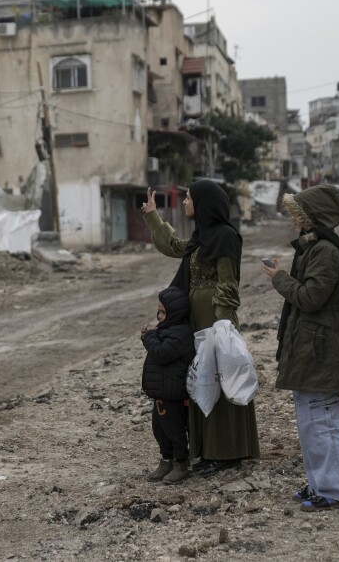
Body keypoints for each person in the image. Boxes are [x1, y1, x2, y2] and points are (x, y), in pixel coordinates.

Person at [141, 181, 260, 475]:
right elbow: (175, 247)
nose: (184, 203)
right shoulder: (201, 237)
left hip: (214, 320)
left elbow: (227, 284)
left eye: (189, 198)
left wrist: (222, 326)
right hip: (196, 318)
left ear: (203, 203)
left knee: (220, 378)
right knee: (199, 380)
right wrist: (153, 215)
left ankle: (227, 452)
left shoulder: (226, 237)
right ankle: (205, 449)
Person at [262, 184, 339, 512]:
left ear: (312, 217)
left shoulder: (325, 252)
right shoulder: (316, 248)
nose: (293, 221)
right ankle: (321, 483)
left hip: (322, 351)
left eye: (297, 215)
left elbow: (310, 297)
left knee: (322, 422)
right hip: (314, 349)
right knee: (312, 422)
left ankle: (335, 490)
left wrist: (279, 279)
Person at [141, 286, 195, 485]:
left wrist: (148, 337)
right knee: (159, 428)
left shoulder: (180, 333)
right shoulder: (167, 330)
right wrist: (151, 337)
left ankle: (180, 463)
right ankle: (166, 459)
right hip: (161, 391)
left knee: (174, 429)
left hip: (172, 392)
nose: (160, 316)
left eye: (163, 312)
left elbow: (162, 353)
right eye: (159, 312)